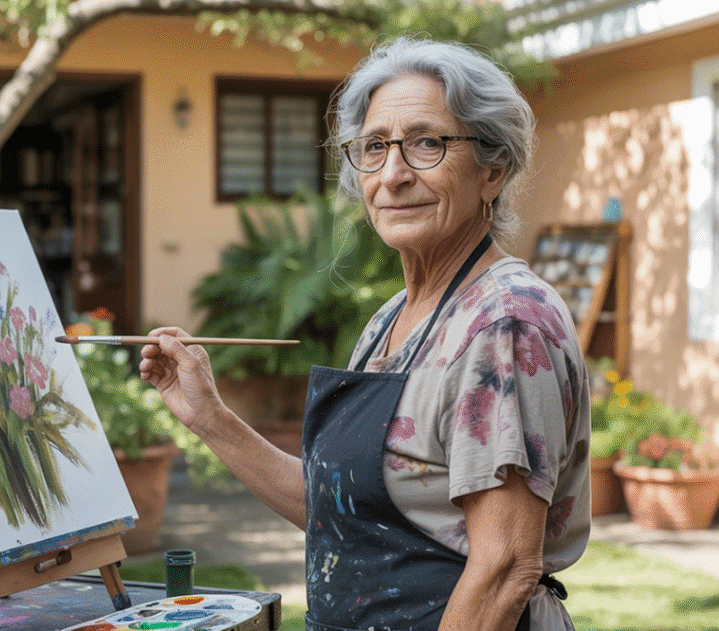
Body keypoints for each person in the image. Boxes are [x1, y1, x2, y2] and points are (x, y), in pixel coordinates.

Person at [140, 37, 590, 631]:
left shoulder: (503, 323)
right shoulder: (392, 318)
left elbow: (504, 569)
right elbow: (345, 511)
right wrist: (210, 417)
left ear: (493, 169)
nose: (393, 174)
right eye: (374, 147)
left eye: (427, 143)